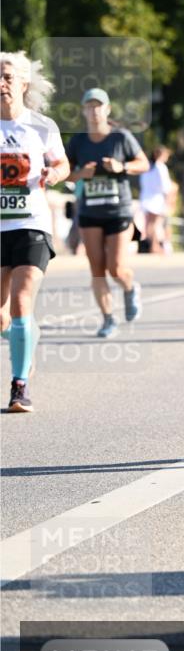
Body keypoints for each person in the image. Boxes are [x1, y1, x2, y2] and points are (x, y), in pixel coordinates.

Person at [1, 50, 70, 411]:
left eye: (7, 76)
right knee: (3, 316)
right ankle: (25, 337)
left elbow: (62, 163)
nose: (1, 83)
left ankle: (20, 385)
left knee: (21, 301)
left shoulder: (42, 126)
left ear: (24, 83)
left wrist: (53, 173)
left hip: (32, 224)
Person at [65, 88, 149, 338]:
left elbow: (143, 164)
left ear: (107, 109)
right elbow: (64, 173)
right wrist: (81, 174)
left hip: (118, 211)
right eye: (89, 106)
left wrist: (121, 166)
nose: (94, 111)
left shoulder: (121, 137)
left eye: (98, 106)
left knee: (116, 268)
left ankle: (130, 287)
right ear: (83, 111)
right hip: (90, 212)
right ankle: (108, 318)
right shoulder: (78, 141)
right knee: (97, 269)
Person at [139, 146, 173, 253]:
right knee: (154, 224)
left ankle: (152, 245)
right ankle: (154, 246)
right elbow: (165, 186)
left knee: (149, 224)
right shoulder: (160, 167)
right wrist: (168, 200)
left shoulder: (148, 167)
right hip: (156, 199)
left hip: (146, 198)